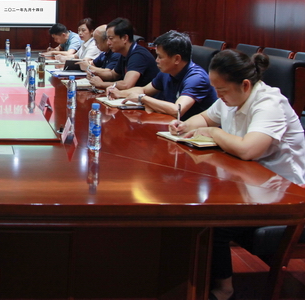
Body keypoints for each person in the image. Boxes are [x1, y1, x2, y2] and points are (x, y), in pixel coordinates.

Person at [169, 49, 305, 300]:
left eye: (221, 90)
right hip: (249, 182)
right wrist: (185, 125)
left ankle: (224, 290)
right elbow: (206, 117)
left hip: (284, 192)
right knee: (196, 209)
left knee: (213, 223)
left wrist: (215, 133)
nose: (218, 95)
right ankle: (190, 279)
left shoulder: (269, 104)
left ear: (245, 85)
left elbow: (248, 150)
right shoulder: (231, 96)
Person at [108, 30, 217, 119]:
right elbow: (144, 90)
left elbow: (177, 110)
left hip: (196, 132)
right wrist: (119, 93)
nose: (156, 60)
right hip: (173, 126)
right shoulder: (167, 72)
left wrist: (143, 99)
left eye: (160, 57)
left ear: (177, 59)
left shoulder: (196, 78)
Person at [86, 17, 158, 90]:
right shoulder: (124, 53)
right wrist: (95, 73)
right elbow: (113, 75)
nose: (108, 43)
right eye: (107, 39)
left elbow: (126, 85)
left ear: (124, 38)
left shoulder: (138, 55)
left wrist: (101, 84)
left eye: (111, 38)